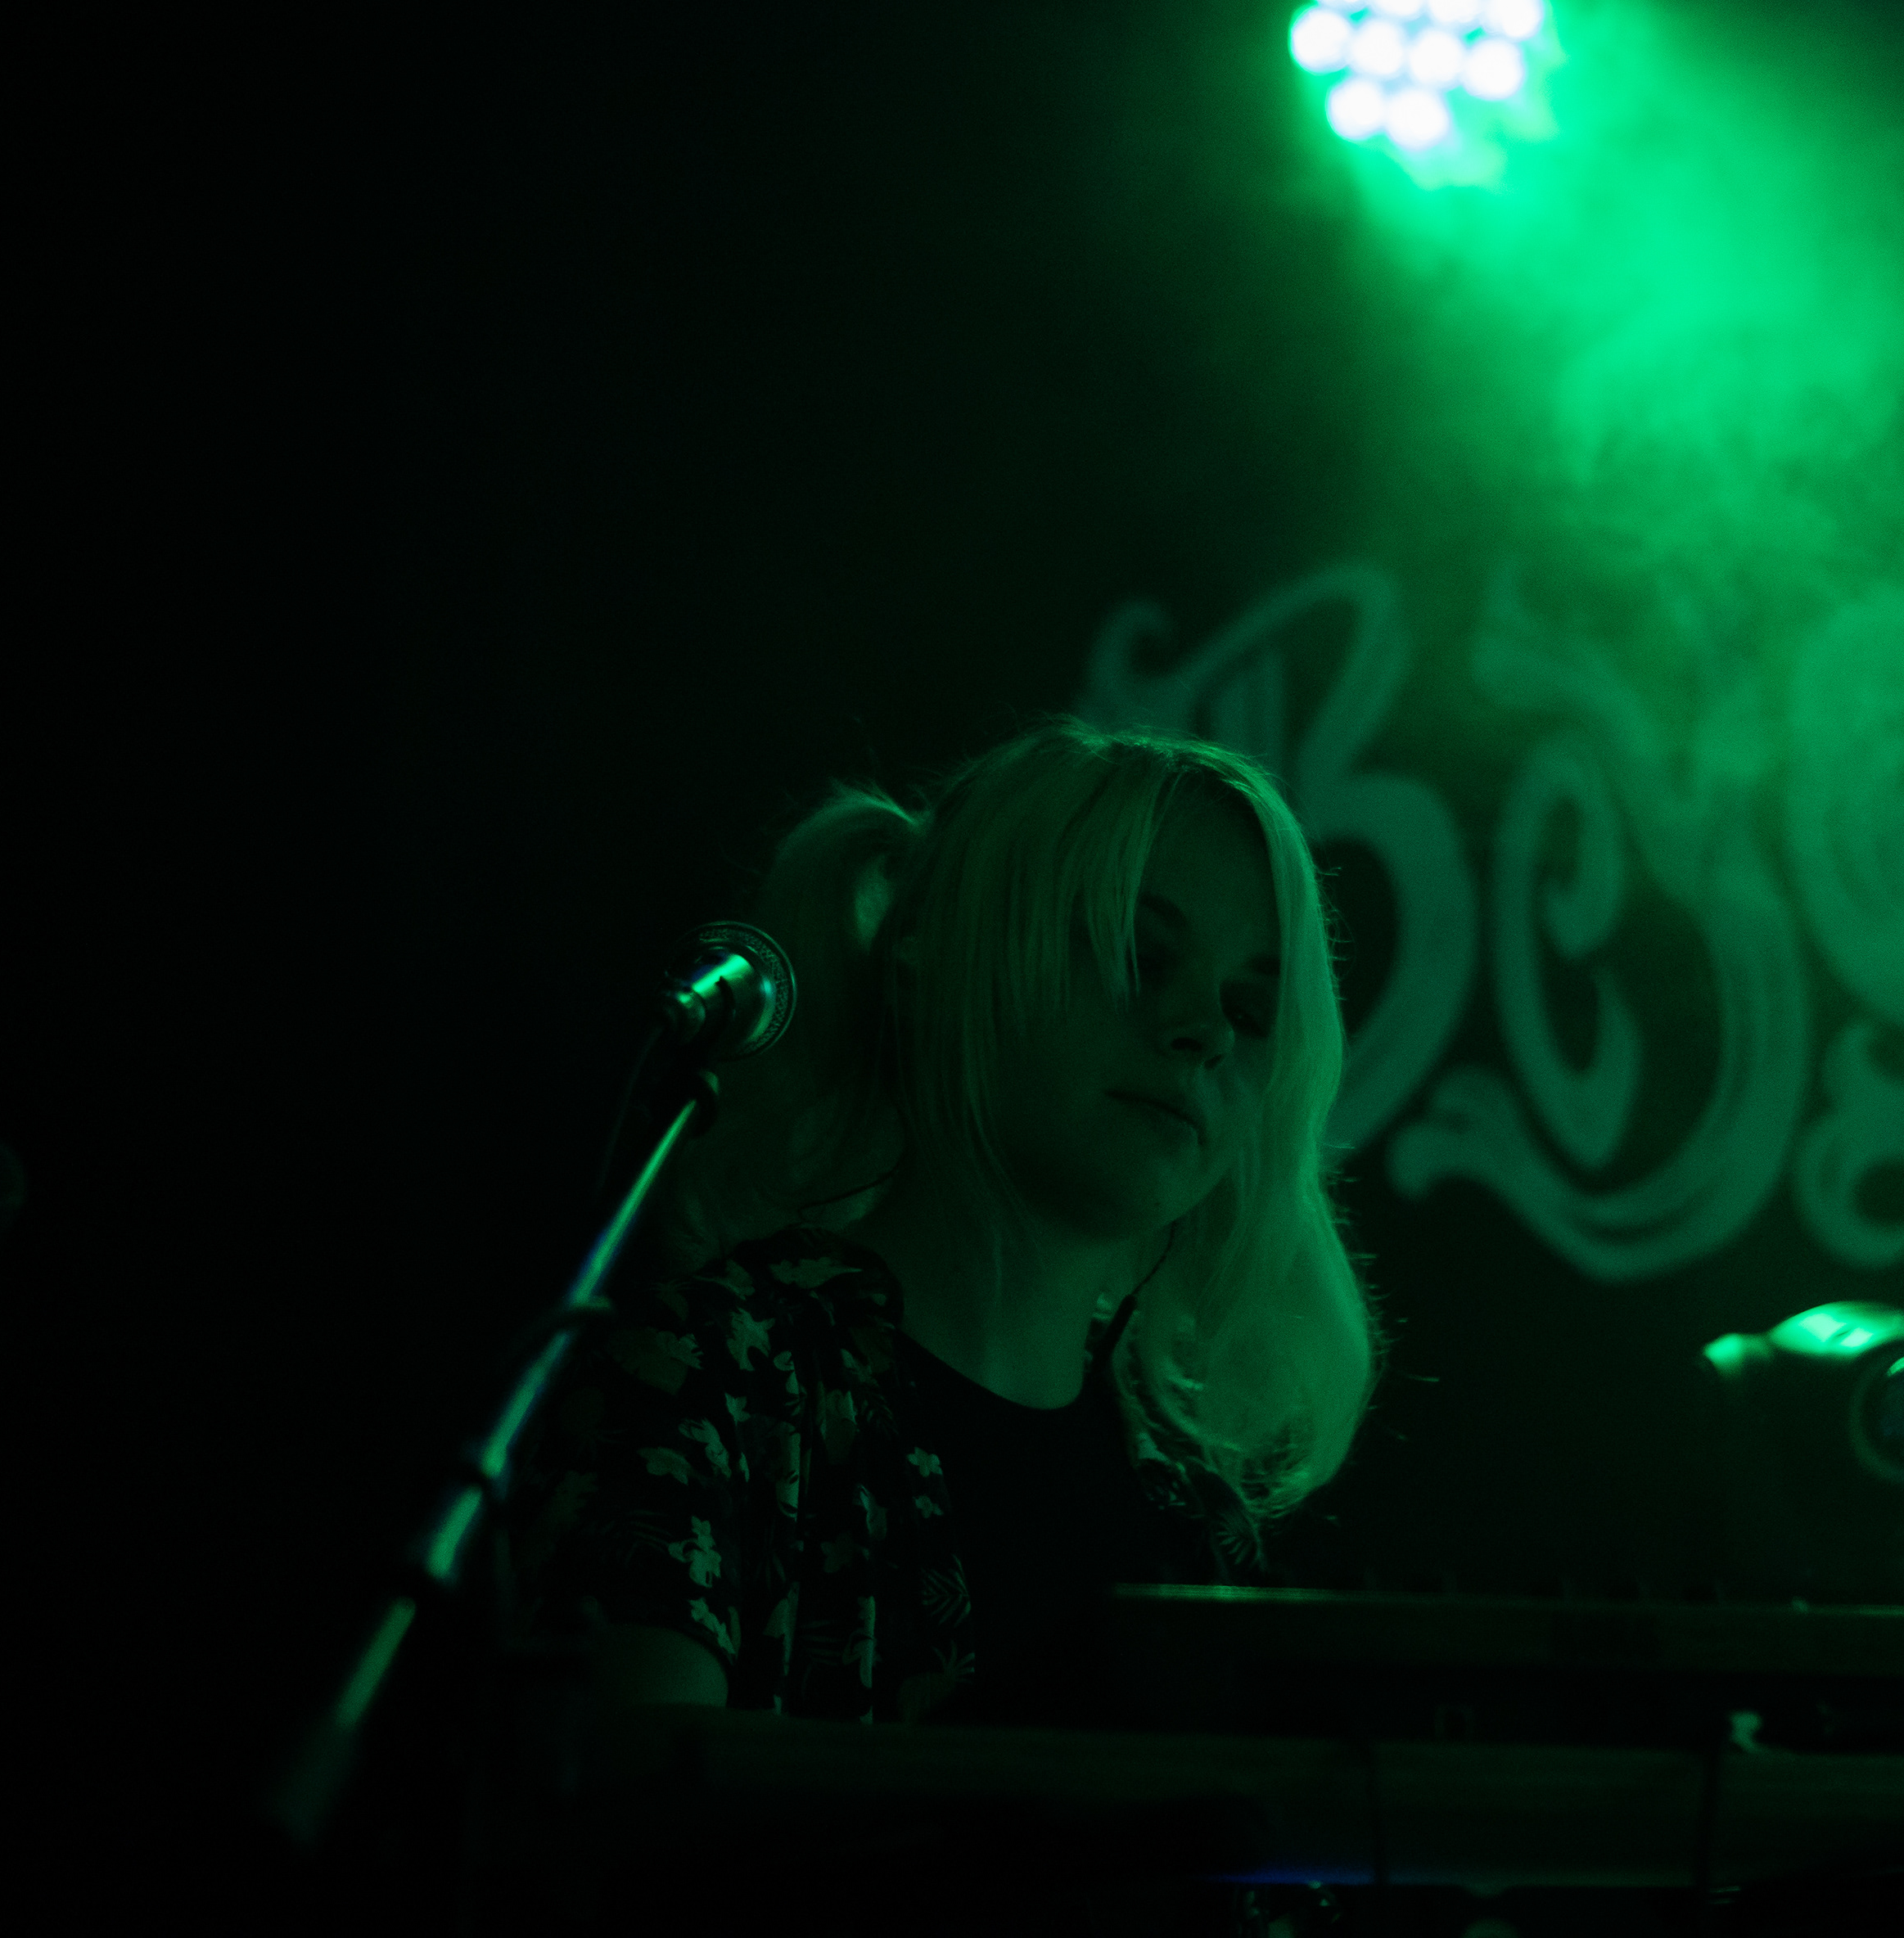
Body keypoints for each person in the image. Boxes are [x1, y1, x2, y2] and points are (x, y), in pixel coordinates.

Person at [511, 717, 1378, 1726]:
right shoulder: (708, 1378)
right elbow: (640, 1805)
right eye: (1139, 952)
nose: (1206, 1030)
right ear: (935, 956)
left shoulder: (1191, 1519)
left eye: (1253, 1010)